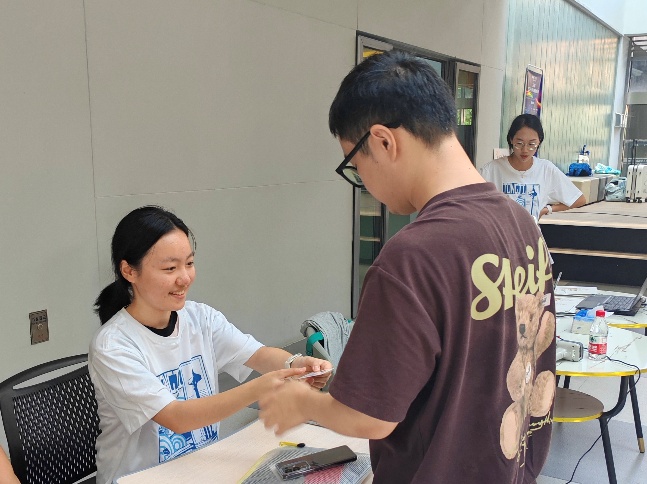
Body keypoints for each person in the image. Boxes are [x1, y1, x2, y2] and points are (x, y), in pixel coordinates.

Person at [259, 51, 556, 483]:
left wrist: (301, 403)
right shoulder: (522, 223)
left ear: (383, 141)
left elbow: (370, 417)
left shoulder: (413, 256)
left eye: (355, 165)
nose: (363, 181)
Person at [89, 206, 331, 484]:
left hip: (201, 469)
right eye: (170, 268)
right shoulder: (113, 345)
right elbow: (176, 418)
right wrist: (260, 388)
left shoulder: (200, 317)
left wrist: (296, 364)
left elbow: (258, 355)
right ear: (129, 271)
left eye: (189, 263)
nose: (184, 278)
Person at [480, 113, 586, 220]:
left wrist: (547, 209)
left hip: (532, 230)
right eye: (519, 143)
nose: (525, 150)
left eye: (531, 144)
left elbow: (579, 199)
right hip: (502, 230)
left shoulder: (546, 169)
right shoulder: (491, 170)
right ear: (511, 139)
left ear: (539, 141)